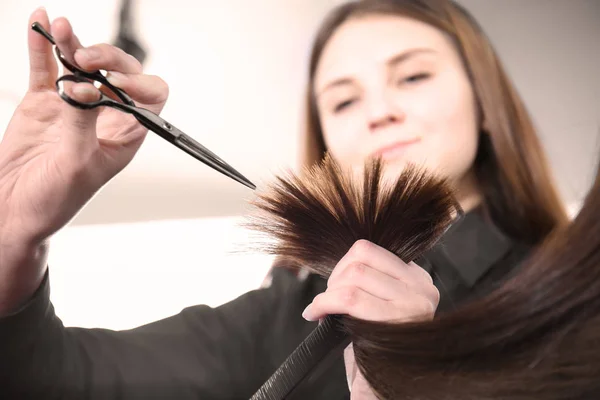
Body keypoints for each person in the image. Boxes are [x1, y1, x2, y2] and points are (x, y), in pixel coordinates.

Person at [0, 1, 568, 399]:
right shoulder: (289, 315)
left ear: (487, 102)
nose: (378, 111)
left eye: (413, 77)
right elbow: (45, 379)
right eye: (343, 101)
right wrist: (13, 233)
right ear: (329, 146)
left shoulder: (574, 295)